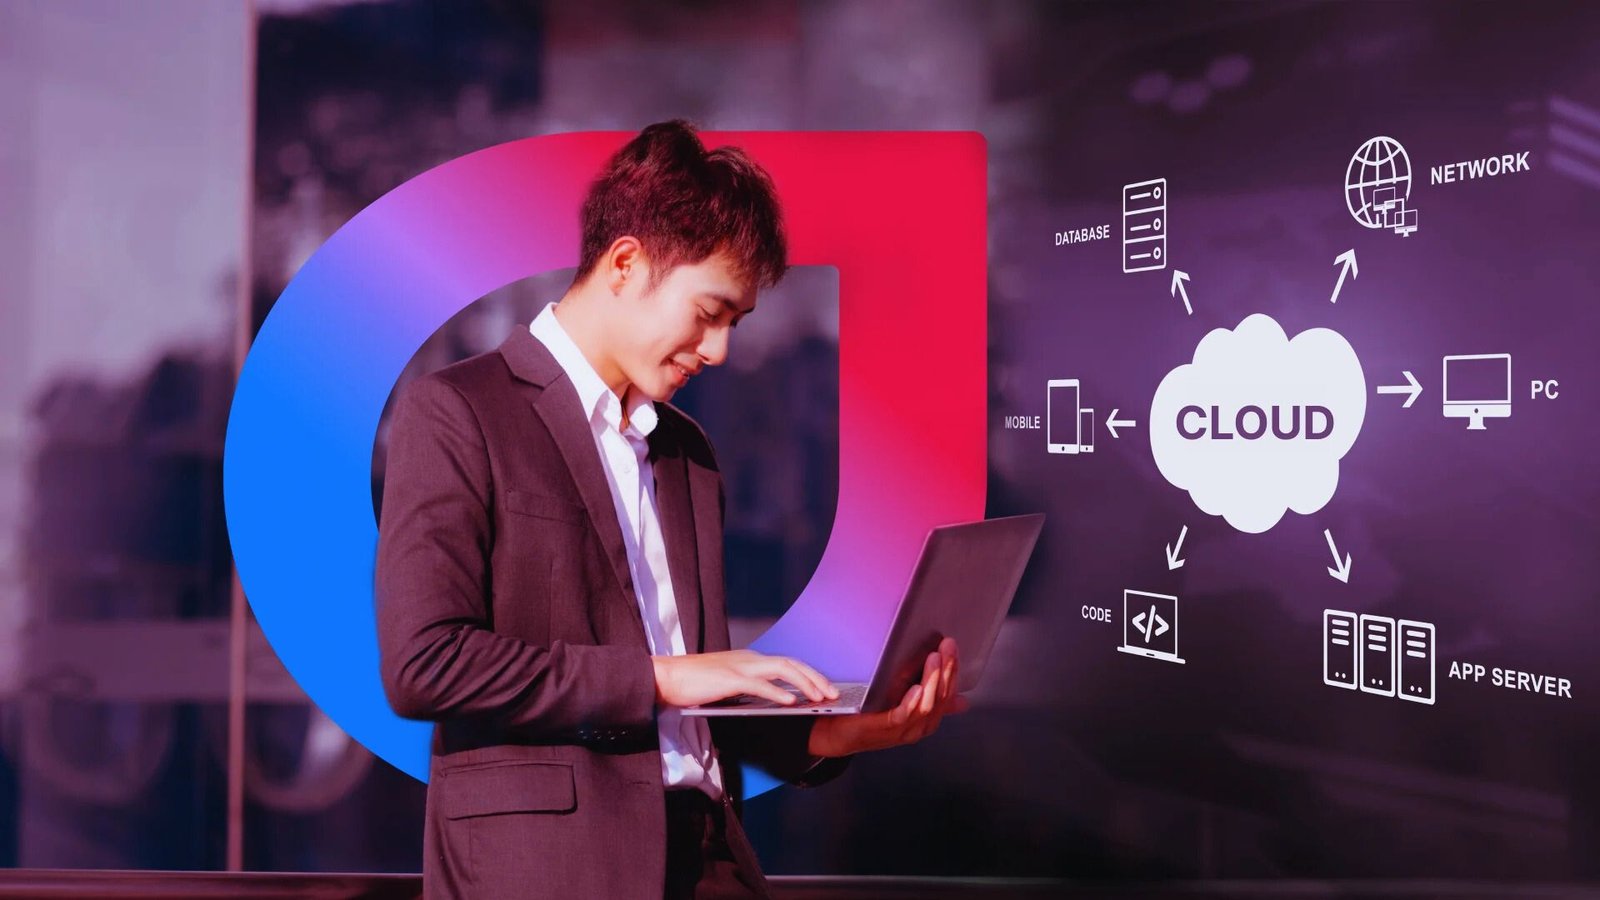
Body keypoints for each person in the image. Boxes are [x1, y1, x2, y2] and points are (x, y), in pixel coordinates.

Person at [375, 120, 965, 900]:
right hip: (549, 871)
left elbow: (696, 704)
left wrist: (840, 734)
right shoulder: (457, 412)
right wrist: (664, 678)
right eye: (709, 311)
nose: (718, 350)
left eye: (736, 324)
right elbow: (426, 665)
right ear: (625, 263)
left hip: (709, 857)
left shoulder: (687, 452)